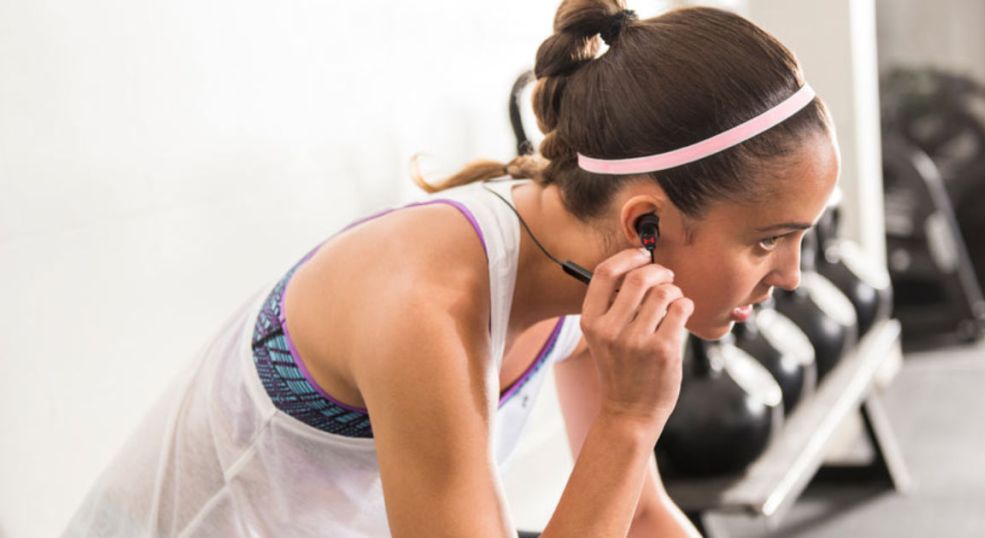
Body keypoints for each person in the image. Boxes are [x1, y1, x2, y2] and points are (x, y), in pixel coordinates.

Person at [64, 1, 840, 537]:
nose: (794, 276)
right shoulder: (423, 306)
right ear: (646, 223)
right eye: (768, 240)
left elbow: (637, 519)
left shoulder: (585, 265)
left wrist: (625, 430)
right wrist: (629, 420)